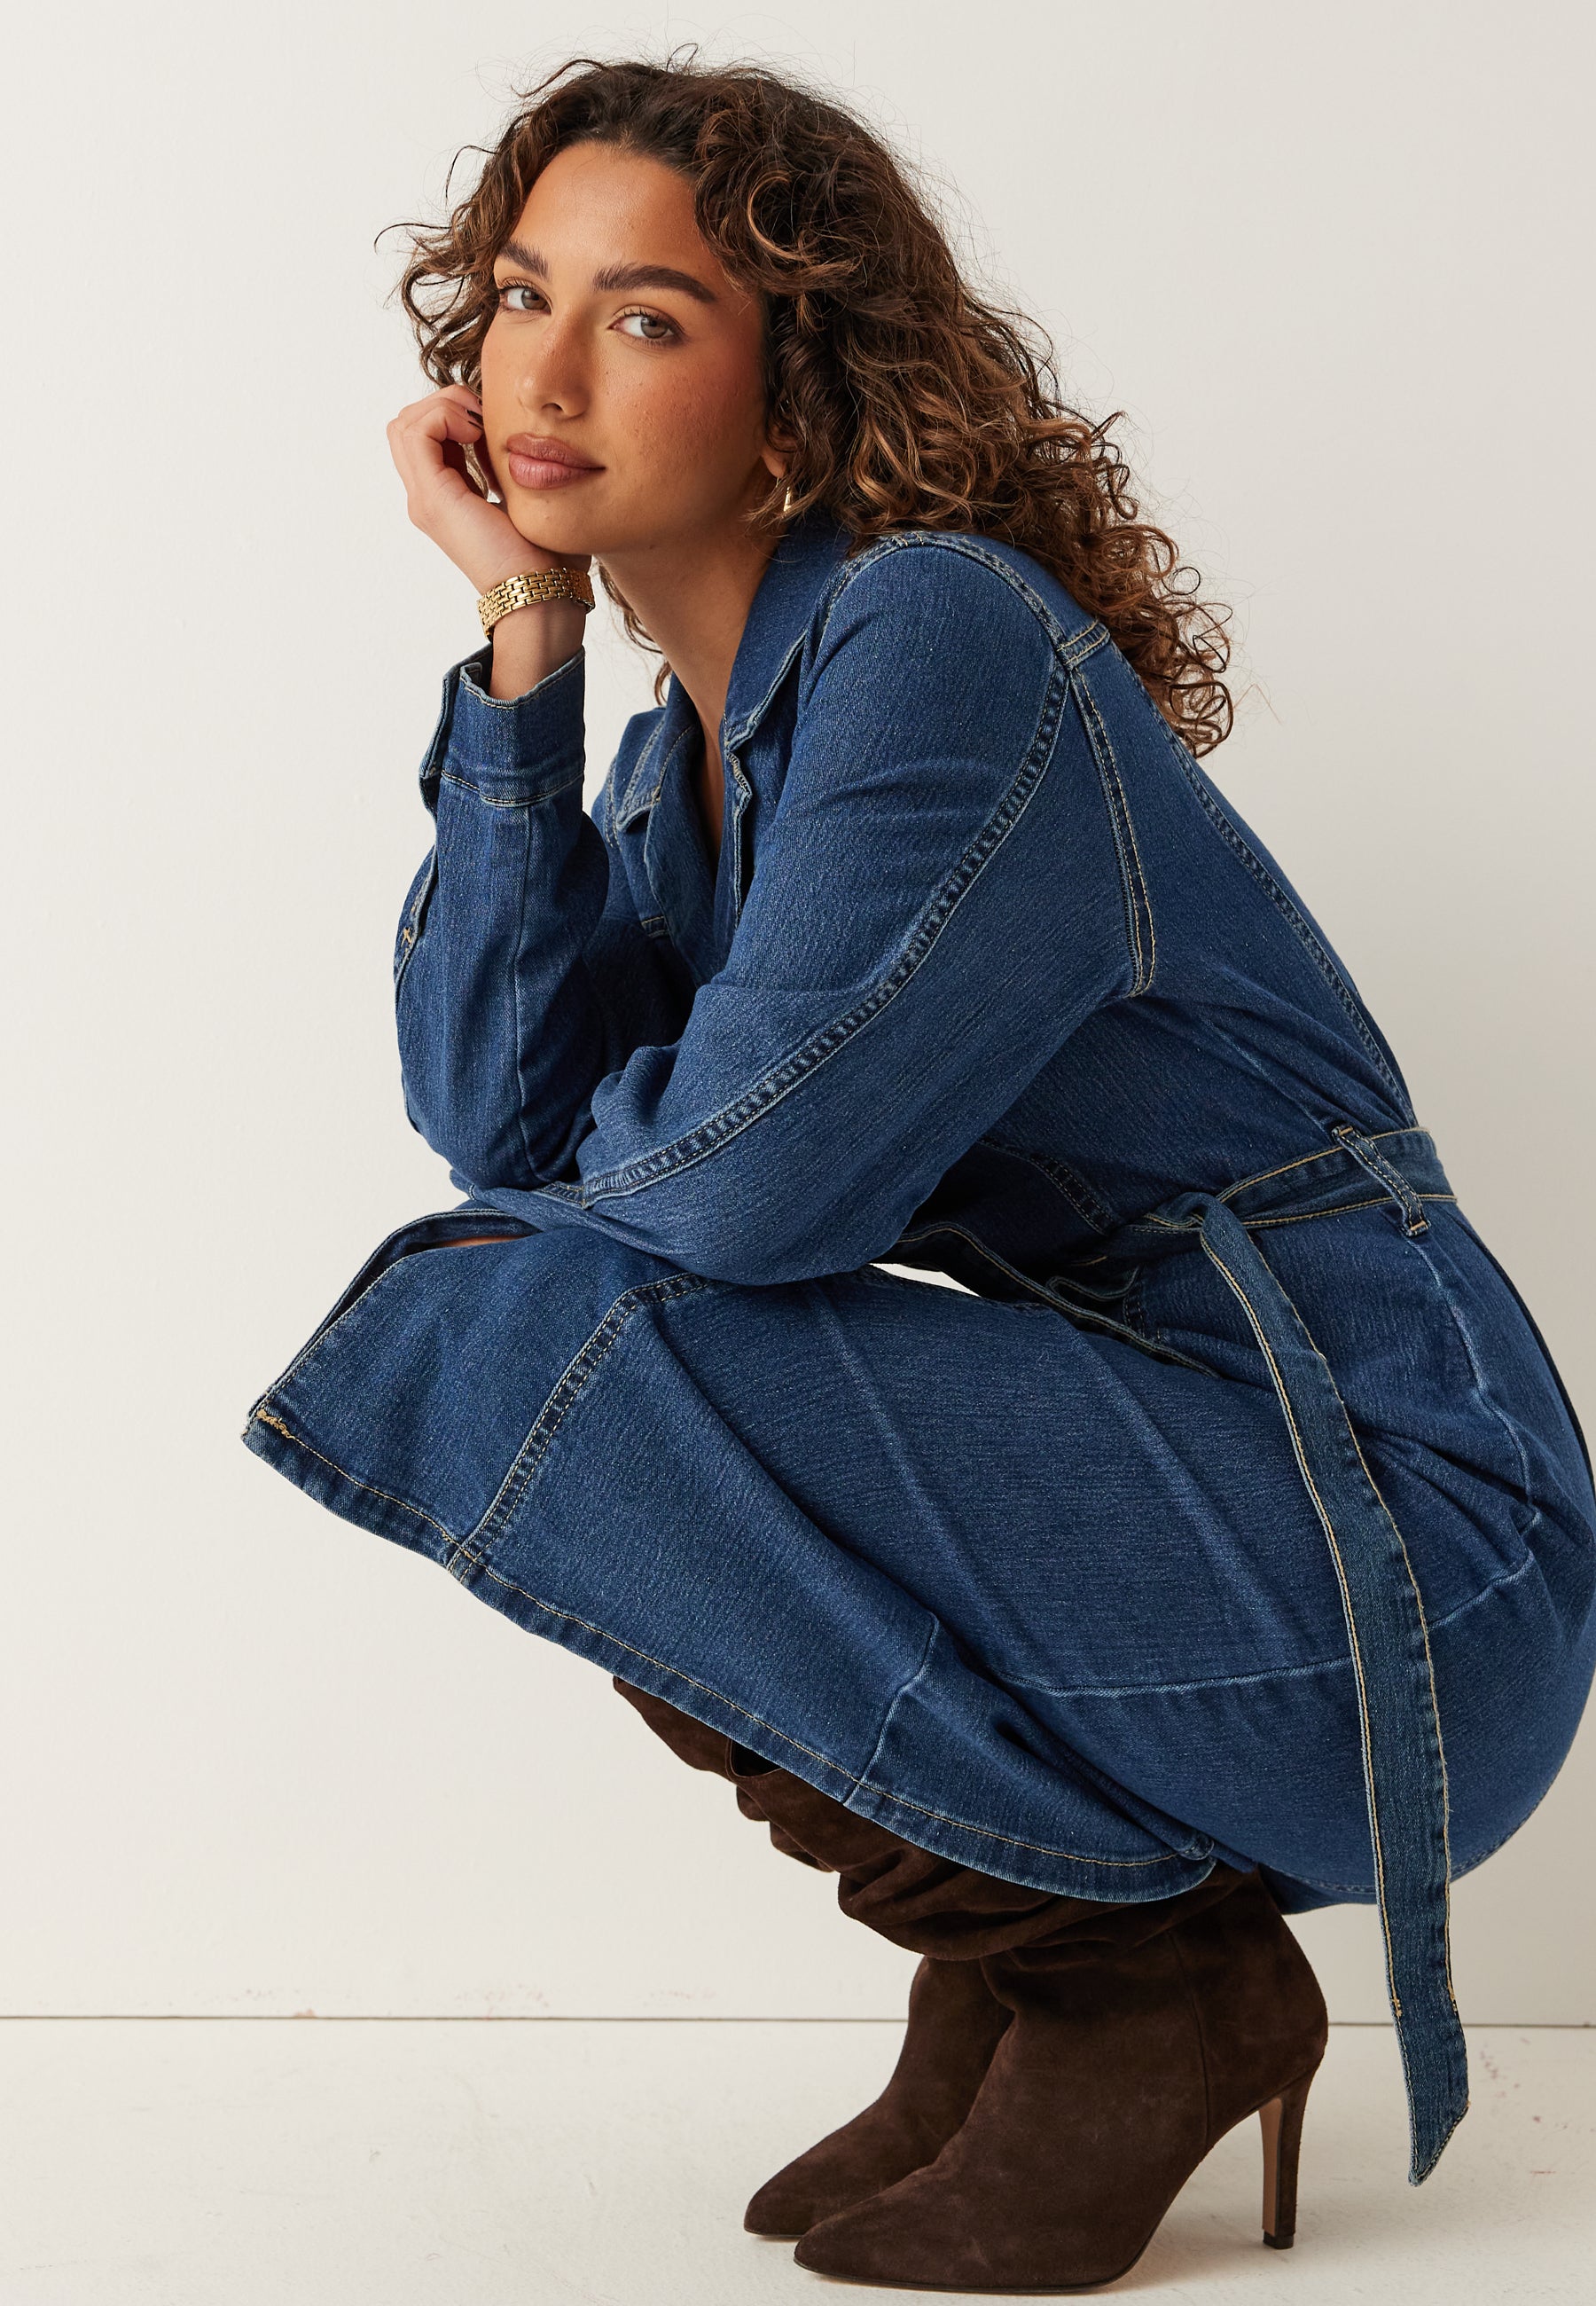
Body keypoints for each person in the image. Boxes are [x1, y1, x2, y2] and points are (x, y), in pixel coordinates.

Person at [243, 54, 1596, 2293]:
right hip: (1212, 1506)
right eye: (519, 297)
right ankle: (1032, 1954)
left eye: (647, 317)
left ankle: (1131, 1983)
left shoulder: (937, 638)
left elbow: (741, 1205)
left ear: (798, 394)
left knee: (525, 1326)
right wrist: (524, 648)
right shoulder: (684, 766)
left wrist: (621, 1171)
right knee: (518, 1309)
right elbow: (501, 1115)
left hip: (1409, 1549)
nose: (542, 374)